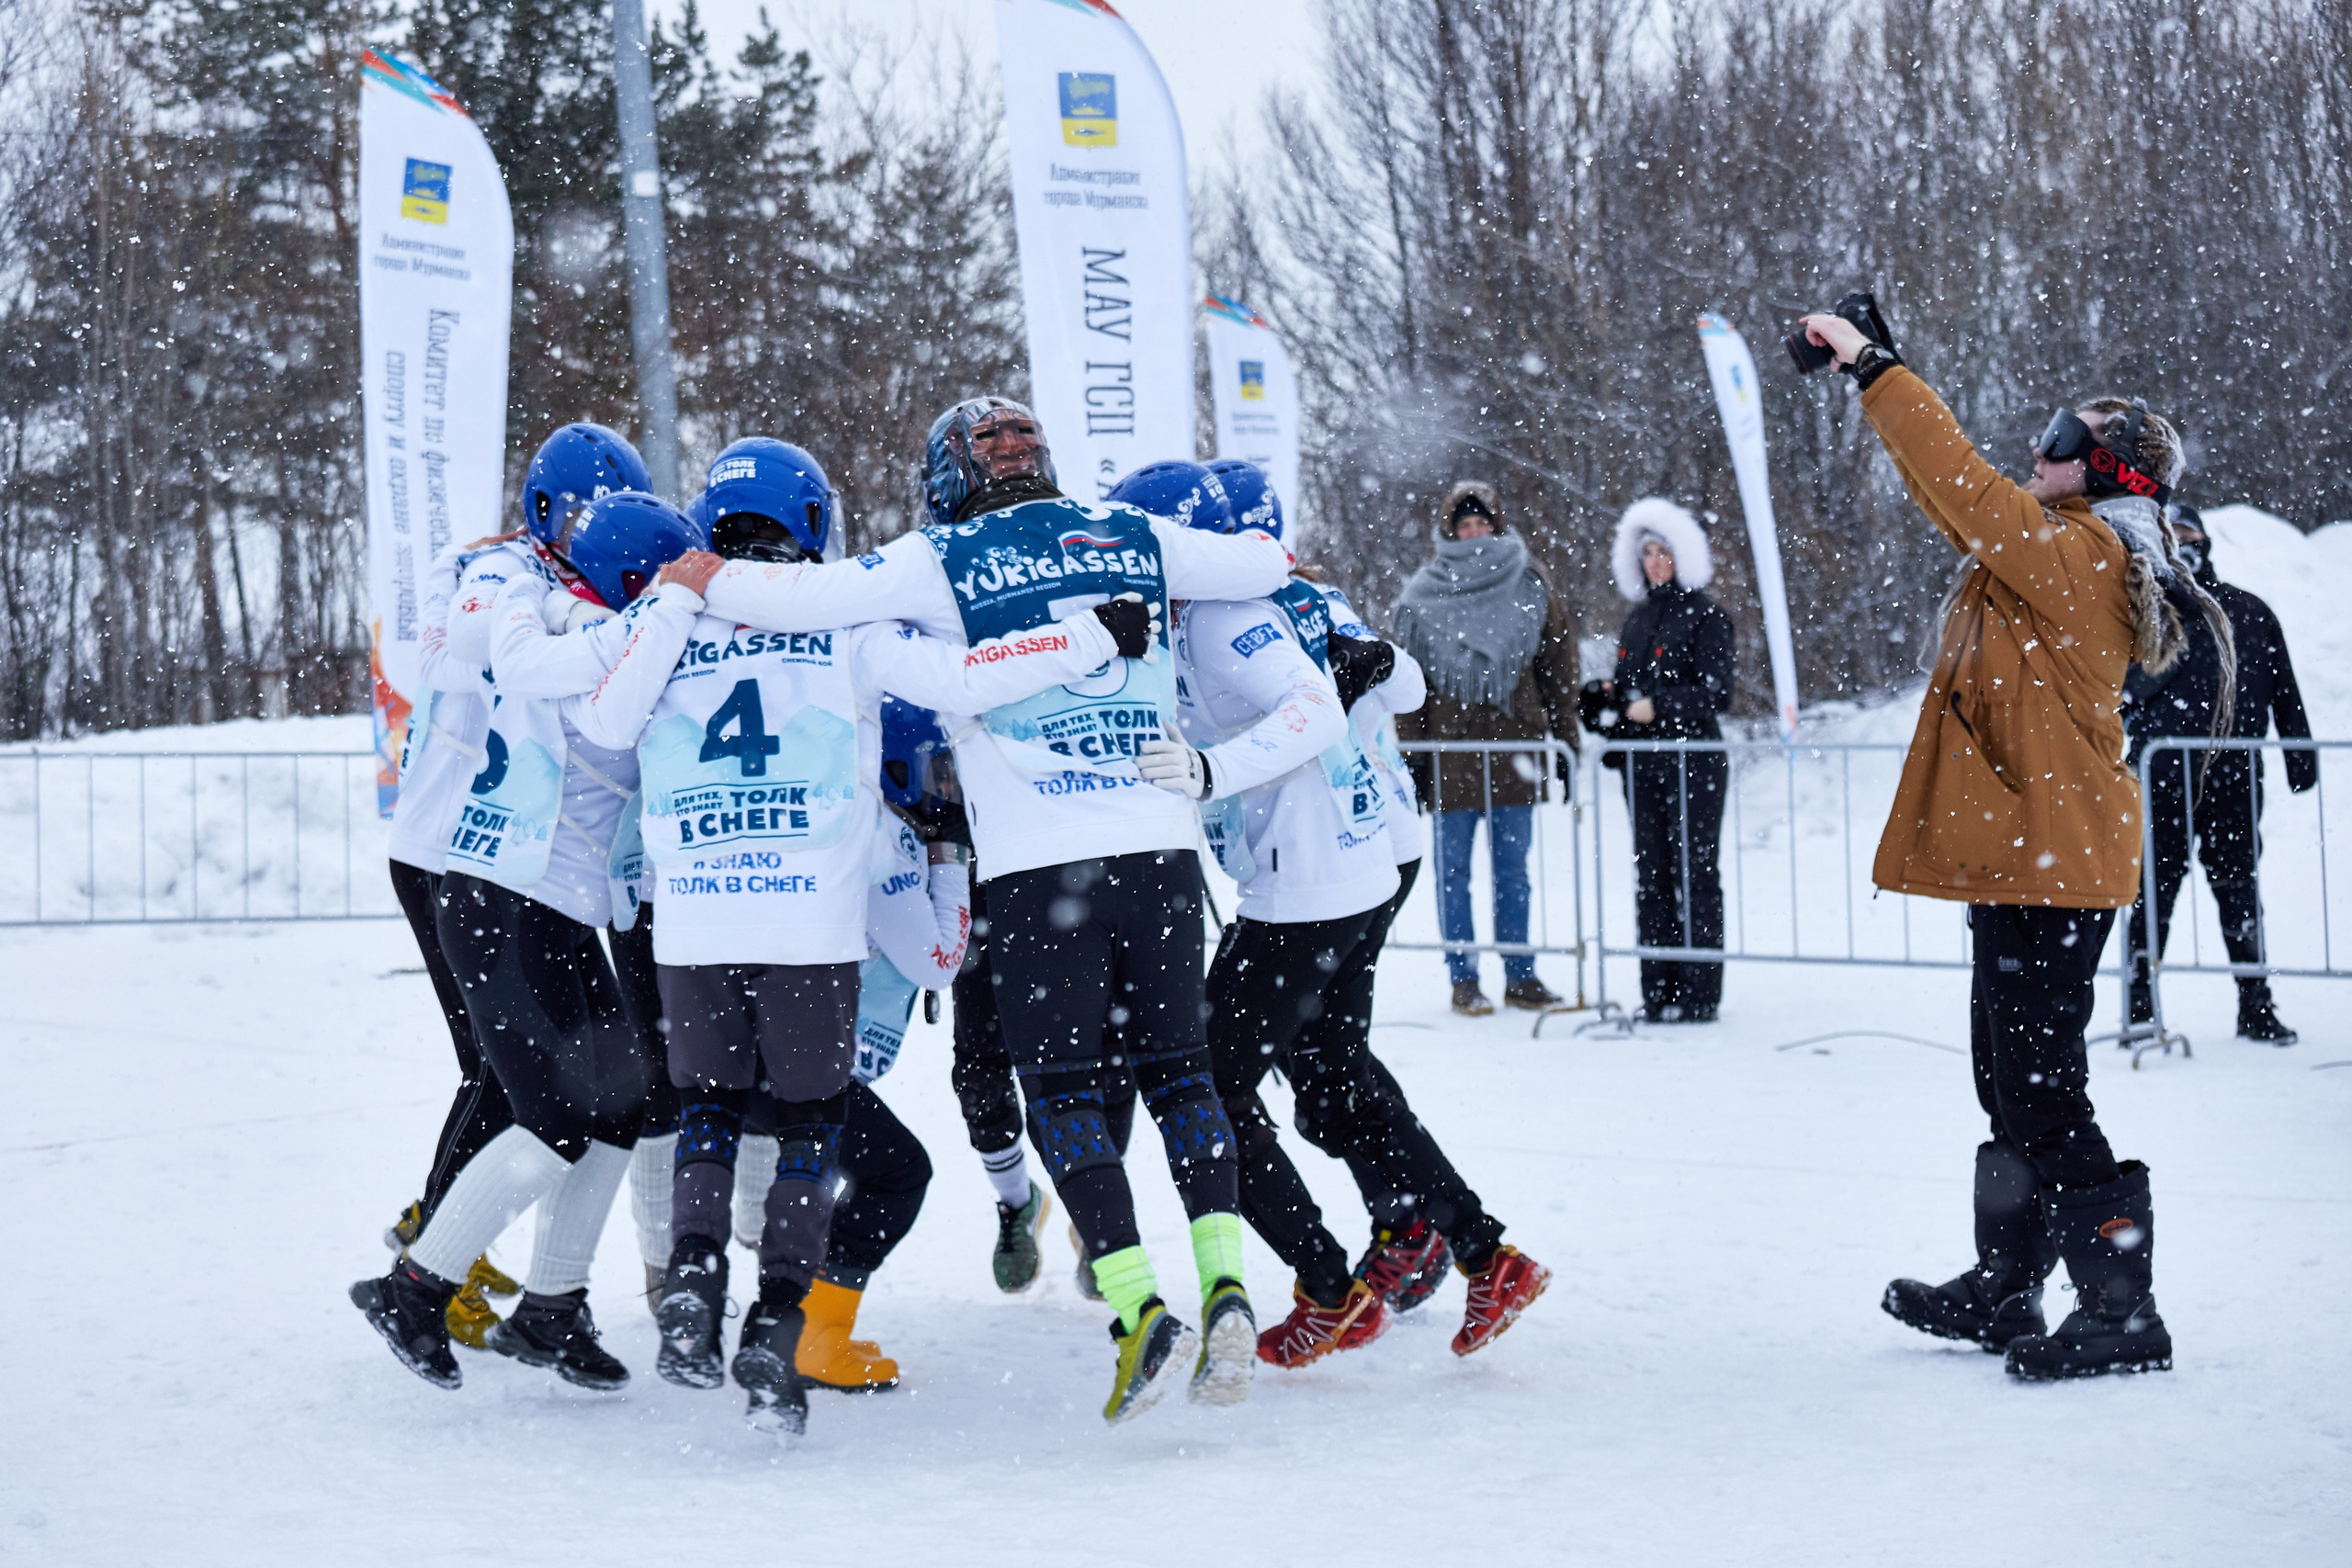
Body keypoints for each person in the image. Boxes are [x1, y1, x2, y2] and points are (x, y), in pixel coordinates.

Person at [670, 400, 1293, 1423]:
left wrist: (706, 578)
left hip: (1041, 861)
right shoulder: (1133, 533)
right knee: (1181, 1077)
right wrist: (1274, 566)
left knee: (1059, 1095)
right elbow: (1258, 563)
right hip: (1159, 844)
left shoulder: (936, 554)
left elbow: (814, 598)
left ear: (948, 474)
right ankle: (1223, 1278)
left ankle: (1138, 1308)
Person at [571, 435, 1140, 1436]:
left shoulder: (677, 613)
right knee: (808, 1130)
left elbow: (611, 723)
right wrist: (1089, 638)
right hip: (809, 911)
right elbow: (967, 679)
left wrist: (665, 604)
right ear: (814, 520)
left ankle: (695, 1277)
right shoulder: (843, 617)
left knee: (707, 1111)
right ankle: (776, 1328)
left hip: (696, 909)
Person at [1800, 307, 2210, 1381]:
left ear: (2107, 471)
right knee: (2005, 1074)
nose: (2039, 451)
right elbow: (1955, 496)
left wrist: (1876, 368)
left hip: (2057, 862)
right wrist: (1875, 381)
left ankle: (2121, 1309)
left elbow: (1966, 487)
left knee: (2040, 1086)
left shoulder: (2082, 558)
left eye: (2062, 443)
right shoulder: (2051, 550)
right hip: (2029, 856)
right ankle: (2009, 1286)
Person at [1175, 460, 1553, 1368]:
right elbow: (1408, 688)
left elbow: (1371, 696)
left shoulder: (1229, 616)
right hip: (1374, 850)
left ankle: (1330, 1287)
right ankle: (1460, 1244)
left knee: (1214, 1087)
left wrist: (1209, 771)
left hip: (1308, 876)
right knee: (1329, 1065)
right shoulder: (1311, 595)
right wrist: (1371, 664)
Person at [348, 488, 704, 1393]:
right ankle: (414, 1289)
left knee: (621, 1105)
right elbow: (611, 709)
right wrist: (669, 603)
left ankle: (551, 1310)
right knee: (544, 1120)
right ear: (633, 579)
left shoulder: (566, 615)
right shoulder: (588, 635)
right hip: (499, 899)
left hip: (548, 903)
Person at [2122, 502, 2316, 1043]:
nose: (2185, 545)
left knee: (2239, 888)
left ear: (2207, 542)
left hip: (2234, 776)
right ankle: (2139, 1005)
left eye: (2192, 535)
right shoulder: (2143, 612)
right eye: (2174, 535)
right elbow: (2110, 690)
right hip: (2162, 777)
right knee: (2152, 891)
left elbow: (2285, 688)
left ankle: (2256, 1006)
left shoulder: (2248, 611)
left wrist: (2300, 760)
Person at [1390, 481, 1579, 1016]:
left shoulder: (1530, 583)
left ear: (1497, 525)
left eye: (1482, 524)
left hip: (1515, 746)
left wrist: (1568, 743)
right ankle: (1463, 978)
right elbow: (1411, 690)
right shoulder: (1422, 595)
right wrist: (1415, 760)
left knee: (1512, 870)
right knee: (1454, 874)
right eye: (1463, 526)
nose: (1474, 535)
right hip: (1452, 753)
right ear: (1449, 532)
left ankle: (1521, 975)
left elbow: (1558, 672)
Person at [1590, 499, 1735, 1023]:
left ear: (1683, 555)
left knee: (1695, 873)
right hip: (1644, 764)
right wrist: (1606, 698)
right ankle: (1659, 988)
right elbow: (1633, 696)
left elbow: (1718, 693)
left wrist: (1664, 705)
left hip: (1694, 760)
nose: (1655, 562)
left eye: (1663, 551)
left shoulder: (1707, 614)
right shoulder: (1636, 619)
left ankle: (1700, 992)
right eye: (1647, 552)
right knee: (1651, 874)